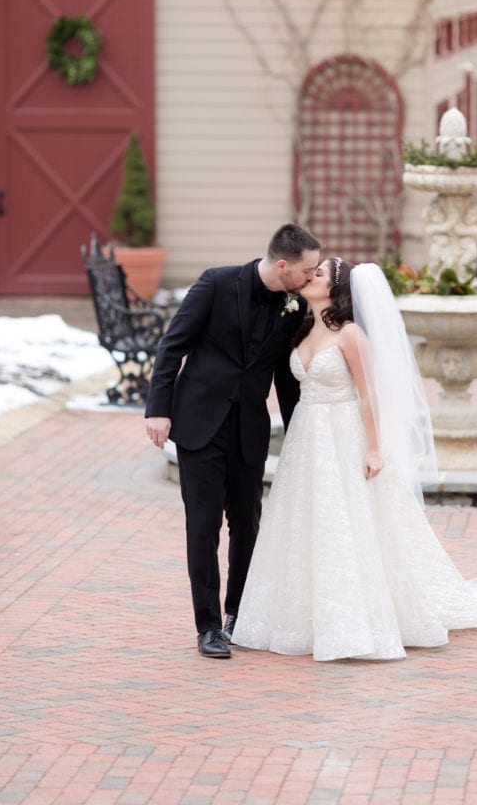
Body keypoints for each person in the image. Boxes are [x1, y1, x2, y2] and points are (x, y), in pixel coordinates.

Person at [232, 258, 477, 662]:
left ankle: (356, 619)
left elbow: (368, 394)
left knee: (349, 521)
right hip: (307, 437)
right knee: (305, 521)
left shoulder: (350, 335)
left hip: (344, 432)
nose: (310, 276)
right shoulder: (302, 329)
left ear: (337, 290)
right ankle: (302, 616)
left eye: (319, 274)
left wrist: (373, 447)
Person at [145, 224, 321, 659]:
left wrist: (302, 429)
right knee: (202, 527)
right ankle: (207, 627)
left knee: (248, 523)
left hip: (249, 427)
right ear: (283, 266)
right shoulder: (216, 283)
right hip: (198, 423)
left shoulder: (295, 306)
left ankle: (238, 614)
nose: (312, 277)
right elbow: (173, 346)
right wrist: (157, 408)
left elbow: (284, 377)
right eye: (307, 270)